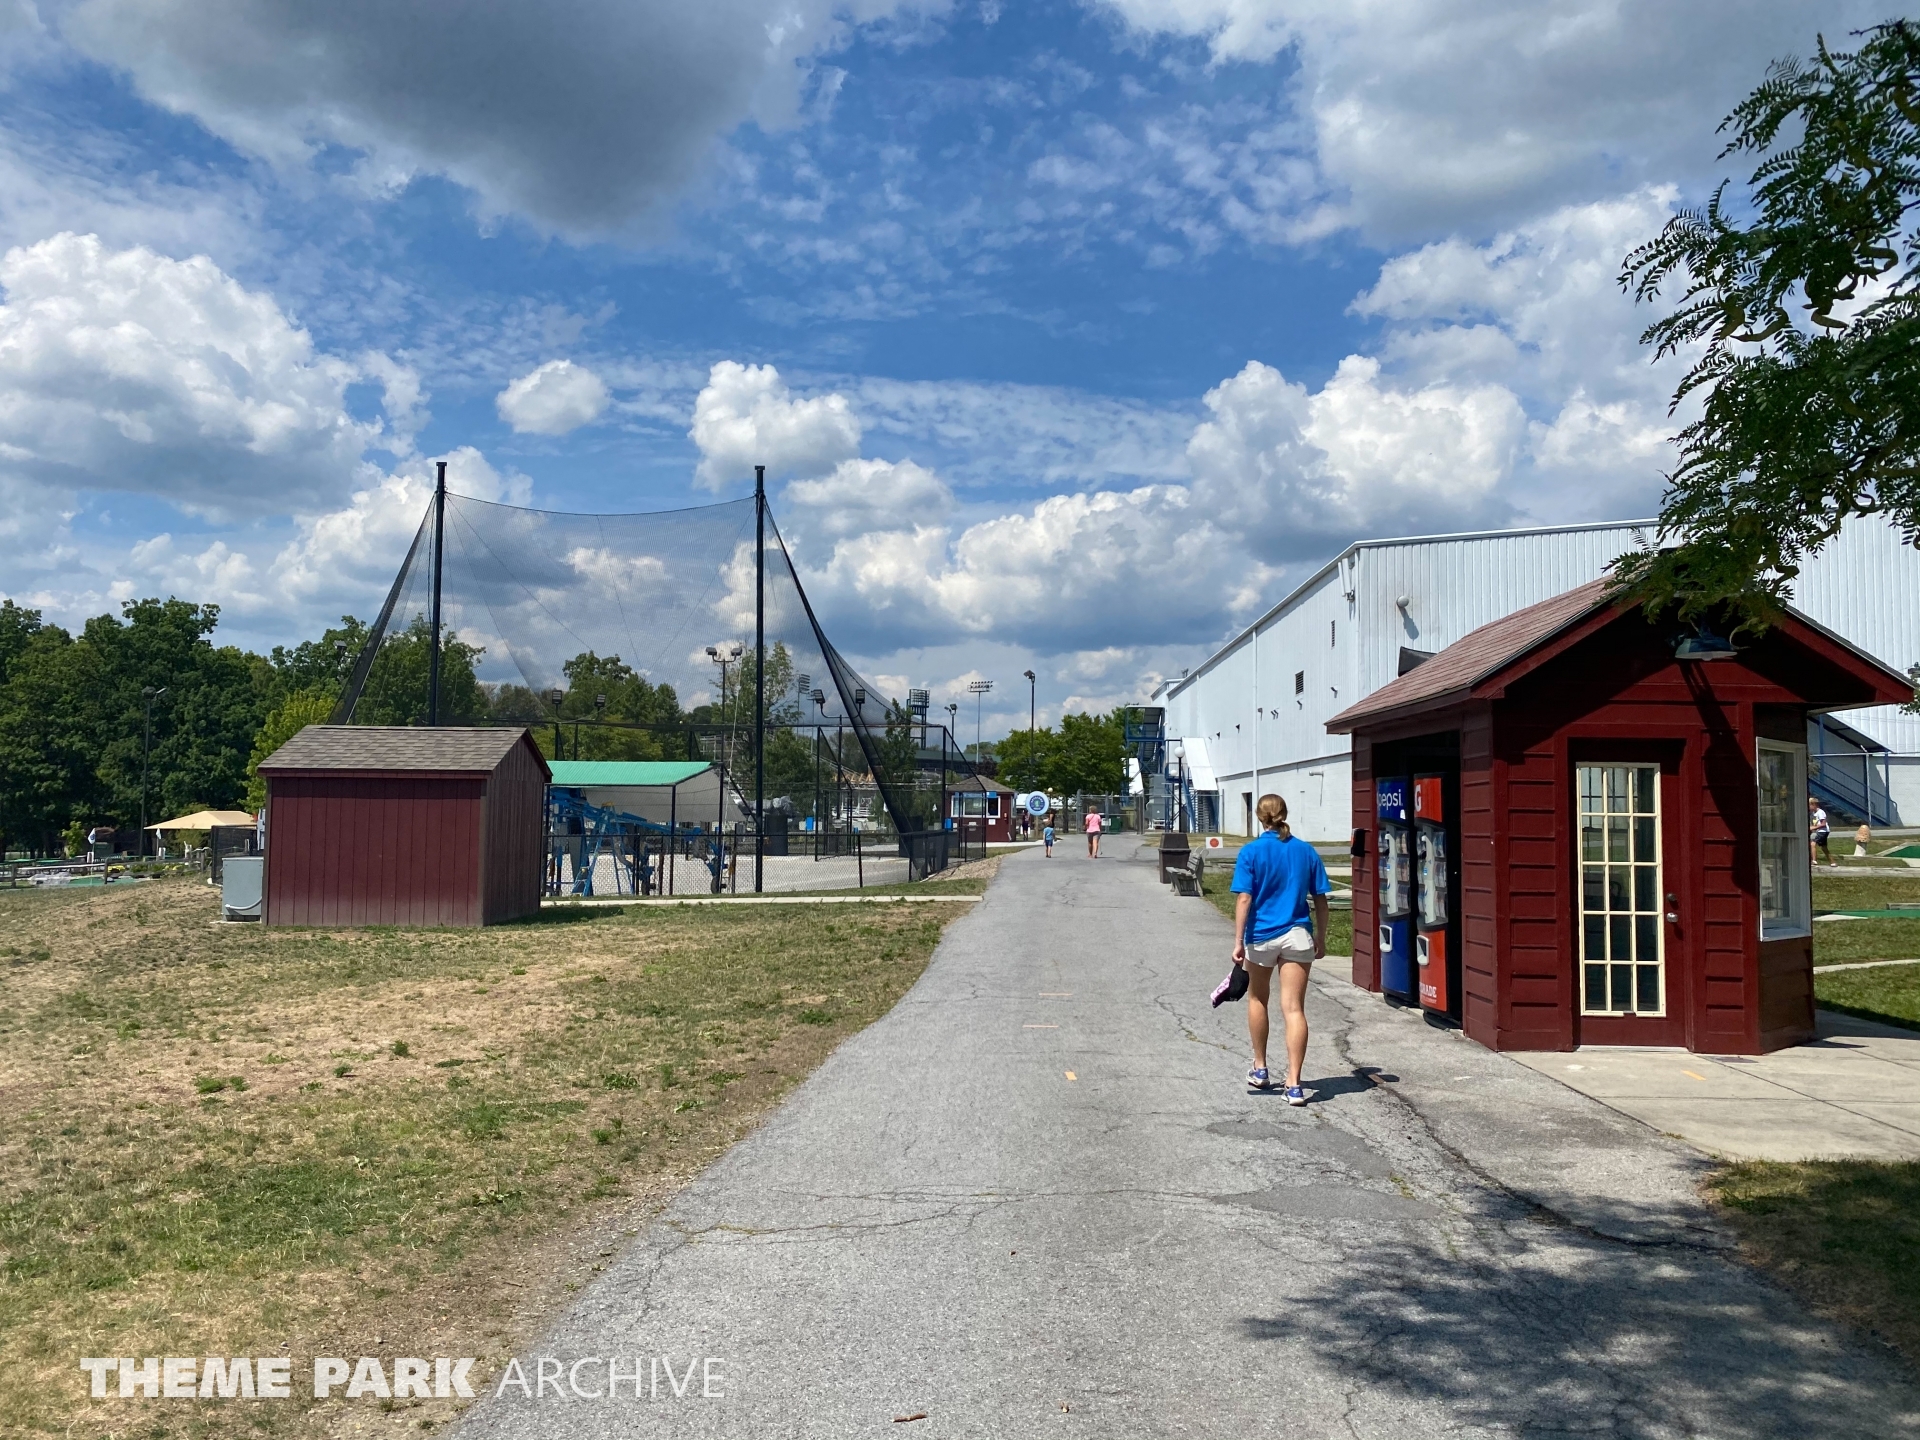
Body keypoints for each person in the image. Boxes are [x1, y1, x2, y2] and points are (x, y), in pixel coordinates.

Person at [1229, 794, 1330, 1105]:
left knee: (1258, 997)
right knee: (1294, 1009)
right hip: (1298, 934)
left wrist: (1238, 941)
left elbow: (1244, 899)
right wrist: (1322, 937)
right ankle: (1295, 1084)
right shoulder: (1306, 851)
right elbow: (1321, 900)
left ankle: (1260, 1068)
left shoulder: (1251, 851)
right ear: (1285, 814)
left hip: (1261, 937)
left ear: (1261, 818)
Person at [1809, 797, 1833, 868]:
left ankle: (1814, 861)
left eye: (1810, 805)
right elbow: (1815, 824)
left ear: (1814, 805)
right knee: (1824, 847)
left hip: (1823, 831)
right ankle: (1832, 862)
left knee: (1813, 844)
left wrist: (1813, 828)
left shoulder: (1821, 812)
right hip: (1820, 831)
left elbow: (1823, 824)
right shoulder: (1813, 814)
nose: (1809, 807)